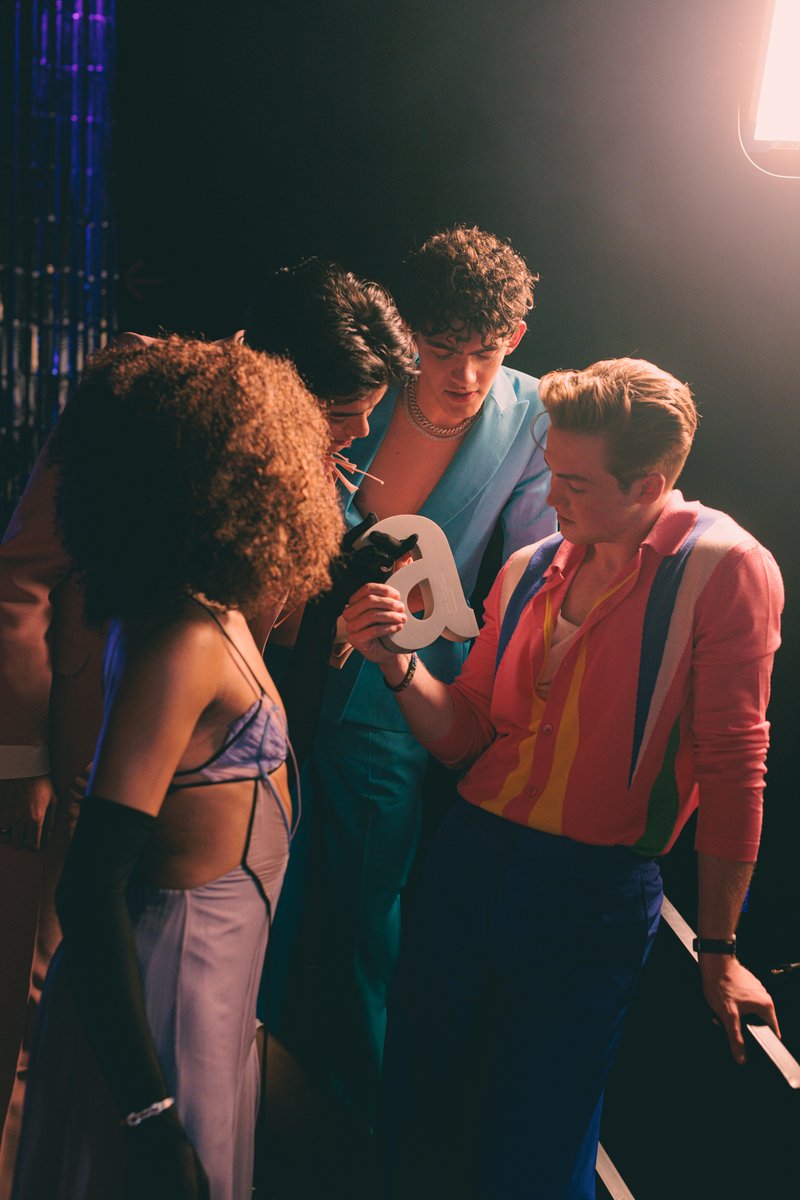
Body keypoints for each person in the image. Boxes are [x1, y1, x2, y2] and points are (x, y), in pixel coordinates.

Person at [0, 259, 414, 1193]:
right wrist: (21, 758)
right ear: (283, 376)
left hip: (202, 756)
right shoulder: (153, 402)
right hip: (90, 738)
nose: (357, 432)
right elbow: (21, 578)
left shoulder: (296, 446)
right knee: (51, 1006)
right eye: (344, 408)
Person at [343, 356, 784, 1199]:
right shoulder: (533, 563)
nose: (551, 499)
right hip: (468, 858)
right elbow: (467, 734)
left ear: (650, 483)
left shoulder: (725, 567)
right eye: (553, 474)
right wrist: (397, 667)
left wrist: (722, 949)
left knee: (536, 1139)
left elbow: (736, 766)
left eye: (575, 484)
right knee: (417, 1106)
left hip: (591, 890)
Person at [277, 226, 556, 1131]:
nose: (466, 374)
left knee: (366, 911)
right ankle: (241, 1074)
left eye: (486, 350)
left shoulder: (534, 415)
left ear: (514, 336)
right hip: (274, 669)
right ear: (409, 336)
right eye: (443, 350)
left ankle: (361, 1117)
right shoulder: (356, 382)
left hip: (394, 697)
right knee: (258, 887)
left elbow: (531, 574)